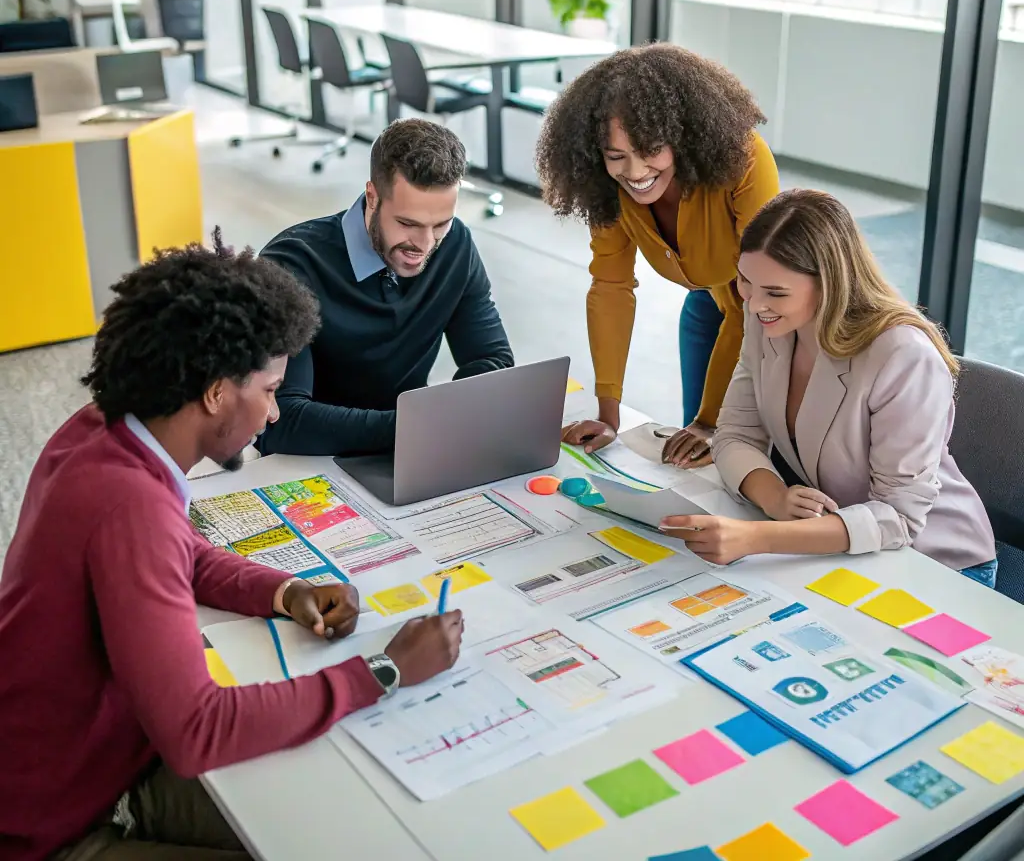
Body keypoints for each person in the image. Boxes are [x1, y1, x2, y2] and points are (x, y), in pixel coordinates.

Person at [0, 234, 464, 861]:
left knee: (323, 814)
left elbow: (180, 554)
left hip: (108, 759)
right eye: (271, 389)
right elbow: (196, 730)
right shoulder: (128, 505)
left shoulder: (102, 432)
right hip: (56, 829)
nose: (274, 413)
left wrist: (284, 590)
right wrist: (383, 672)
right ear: (218, 392)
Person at [658, 189, 997, 586]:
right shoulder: (770, 322)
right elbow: (735, 435)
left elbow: (899, 517)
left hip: (934, 562)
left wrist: (756, 537)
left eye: (776, 292)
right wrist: (777, 500)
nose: (753, 304)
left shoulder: (903, 356)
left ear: (830, 284)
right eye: (746, 282)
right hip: (837, 545)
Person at [537, 44, 779, 468]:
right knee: (695, 454)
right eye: (616, 156)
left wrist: (709, 421)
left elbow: (754, 302)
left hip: (775, 315)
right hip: (708, 306)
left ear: (684, 137)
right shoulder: (608, 190)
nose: (634, 172)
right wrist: (608, 414)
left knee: (745, 450)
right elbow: (611, 286)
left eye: (651, 151)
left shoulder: (746, 160)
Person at [259, 117, 513, 457]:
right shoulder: (291, 265)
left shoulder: (455, 246)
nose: (424, 244)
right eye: (408, 223)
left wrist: (440, 420)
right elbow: (283, 420)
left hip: (403, 451)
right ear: (372, 196)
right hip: (310, 461)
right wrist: (418, 427)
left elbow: (492, 359)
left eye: (440, 224)